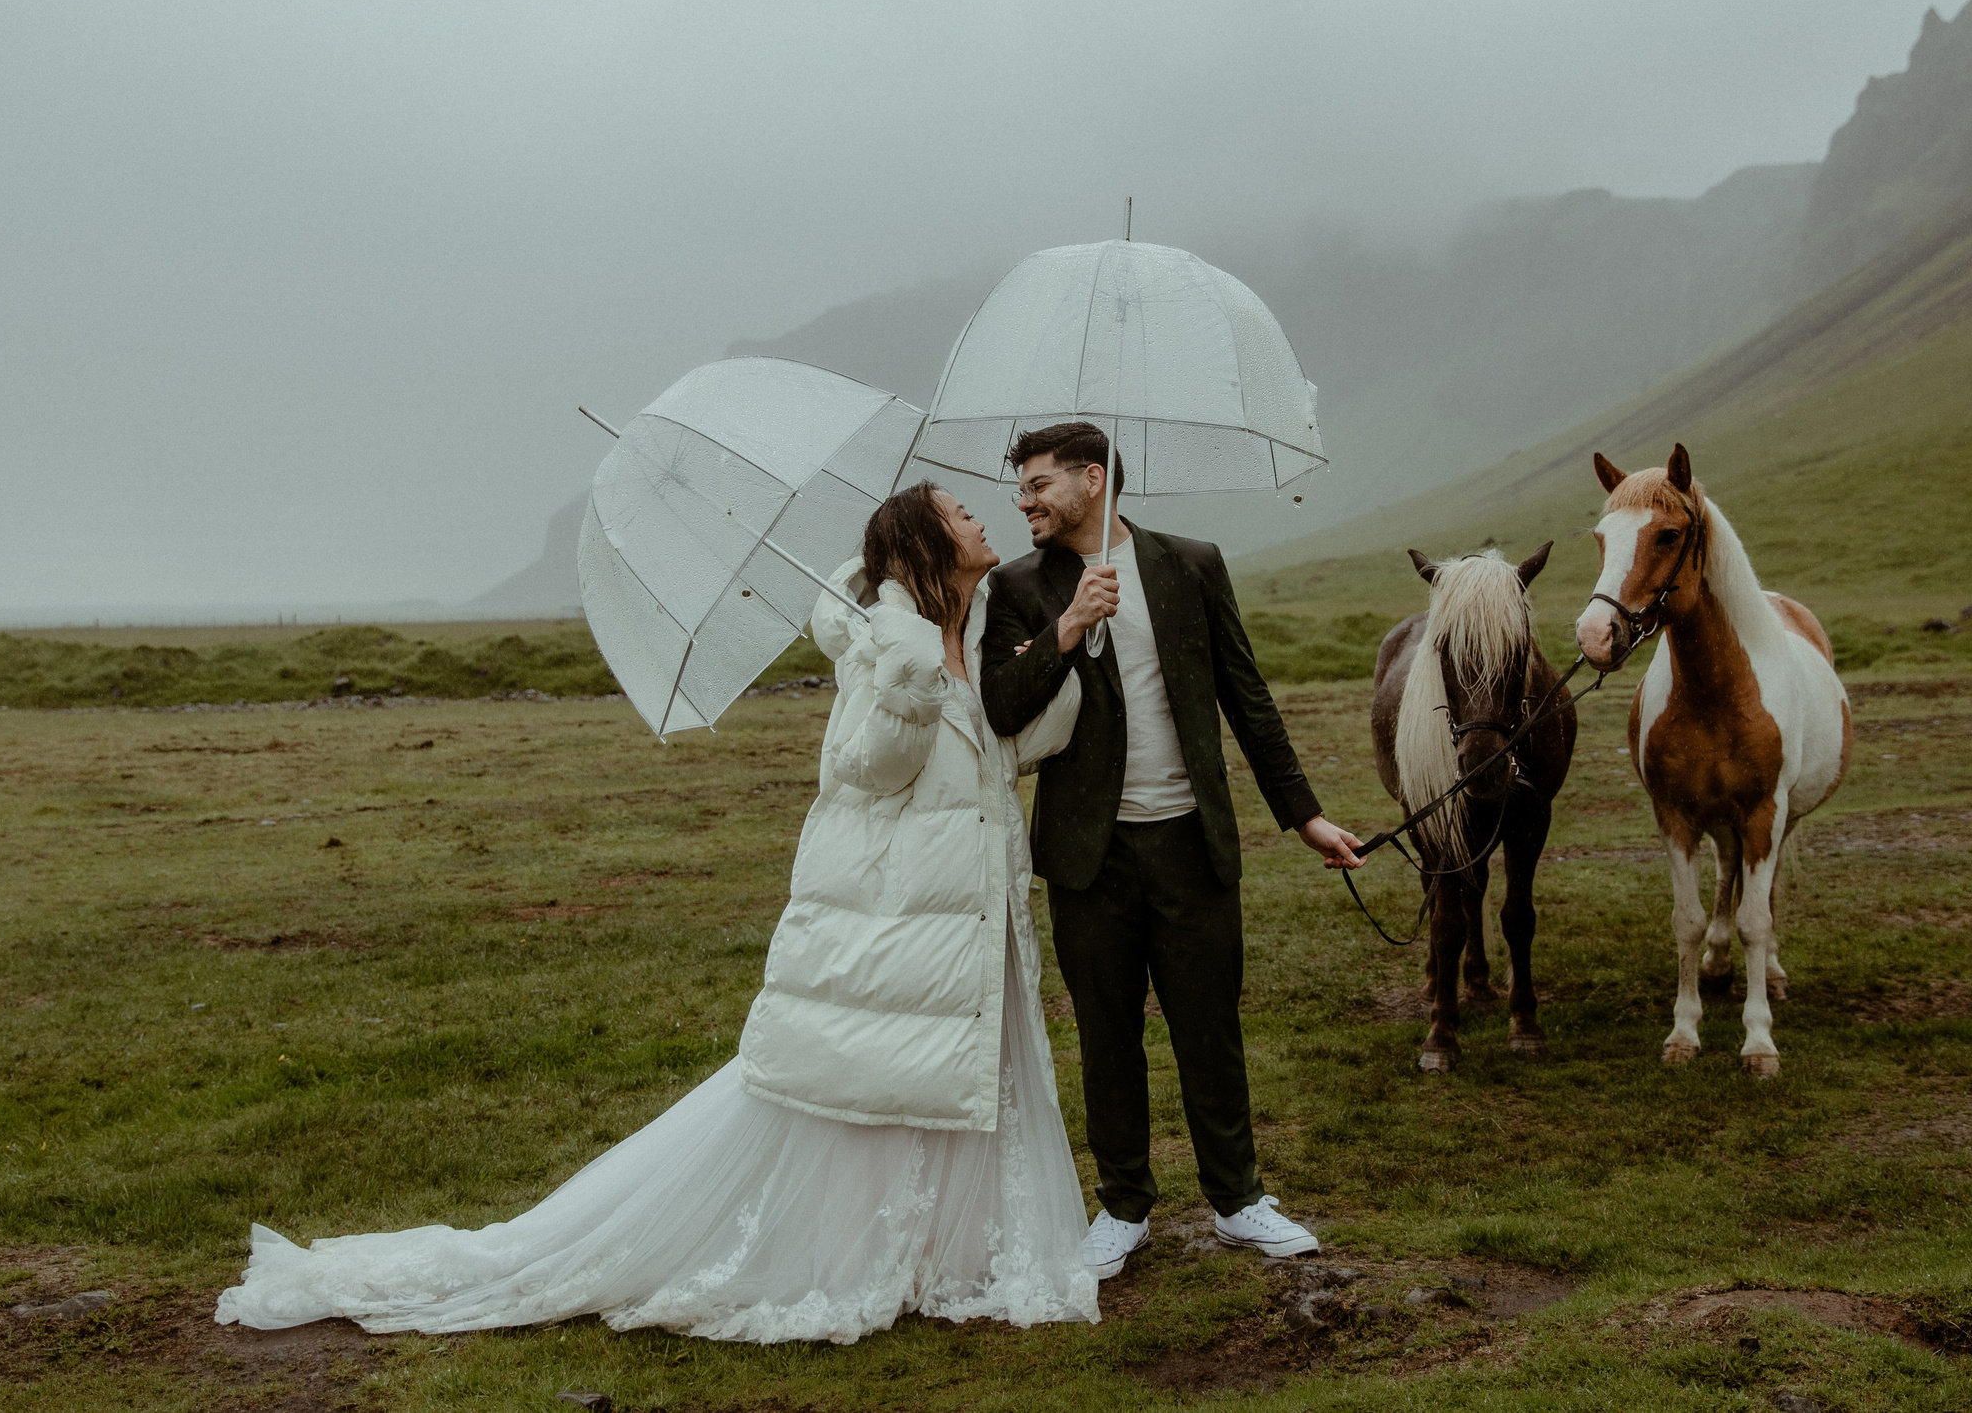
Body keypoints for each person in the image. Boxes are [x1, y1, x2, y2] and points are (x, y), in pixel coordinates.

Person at [215, 482, 1098, 1343]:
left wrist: (1063, 647)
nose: (983, 519)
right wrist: (906, 684)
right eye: (961, 513)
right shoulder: (884, 645)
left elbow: (1018, 742)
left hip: (967, 917)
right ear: (924, 544)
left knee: (933, 1081)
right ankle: (855, 1253)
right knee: (869, 1086)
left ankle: (936, 1252)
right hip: (893, 915)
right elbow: (865, 769)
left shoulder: (973, 634)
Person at [981, 421, 1364, 1280]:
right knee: (1107, 1033)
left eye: (1039, 484)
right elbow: (1001, 707)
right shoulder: (1015, 586)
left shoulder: (1193, 562)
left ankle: (1237, 1200)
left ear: (1091, 478)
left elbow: (1247, 696)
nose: (1025, 501)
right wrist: (1070, 625)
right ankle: (1123, 1208)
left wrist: (1304, 816)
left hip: (1193, 840)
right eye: (1021, 488)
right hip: (1088, 856)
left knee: (1208, 1026)